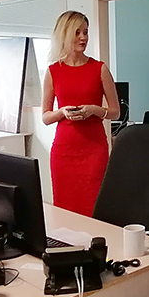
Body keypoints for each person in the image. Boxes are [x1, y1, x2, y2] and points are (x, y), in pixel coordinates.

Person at [41, 11, 121, 216]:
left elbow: (115, 112)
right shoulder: (53, 71)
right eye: (77, 32)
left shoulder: (99, 69)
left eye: (85, 32)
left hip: (94, 151)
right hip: (63, 152)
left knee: (94, 207)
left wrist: (94, 110)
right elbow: (46, 117)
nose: (83, 37)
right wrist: (62, 112)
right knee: (64, 210)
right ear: (65, 34)